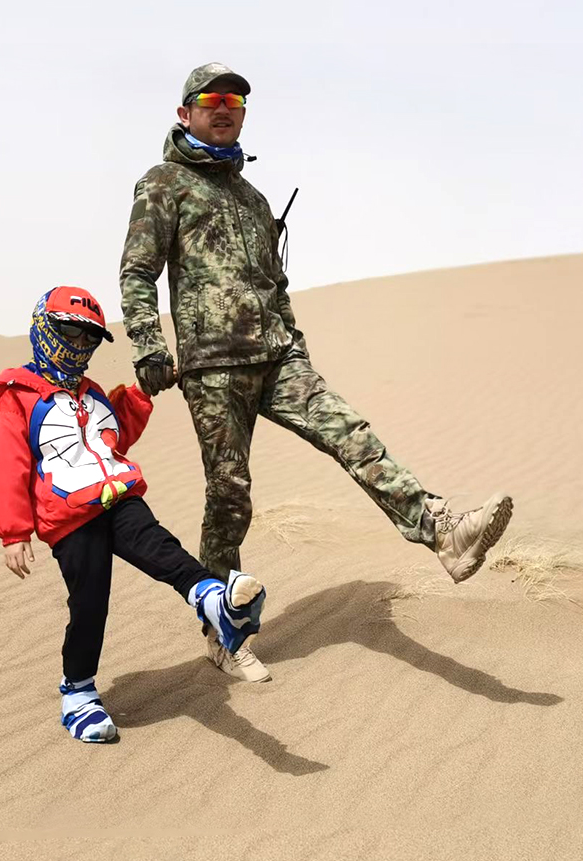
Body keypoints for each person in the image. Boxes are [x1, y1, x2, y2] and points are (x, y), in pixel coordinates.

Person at [119, 63, 513, 684]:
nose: (224, 108)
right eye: (211, 98)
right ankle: (225, 631)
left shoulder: (253, 200)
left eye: (236, 101)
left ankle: (441, 530)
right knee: (230, 497)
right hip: (213, 367)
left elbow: (274, 286)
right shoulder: (163, 184)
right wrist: (147, 343)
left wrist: (295, 344)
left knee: (349, 432)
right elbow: (138, 271)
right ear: (185, 110)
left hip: (278, 357)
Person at [0, 285, 267, 742]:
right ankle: (78, 691)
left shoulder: (92, 393)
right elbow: (8, 463)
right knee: (90, 602)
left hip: (118, 498)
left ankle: (214, 600)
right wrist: (13, 532)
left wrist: (142, 392)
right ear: (43, 327)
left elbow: (113, 436)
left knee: (161, 547)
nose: (79, 346)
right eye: (70, 333)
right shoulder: (17, 393)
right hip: (69, 518)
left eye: (89, 339)